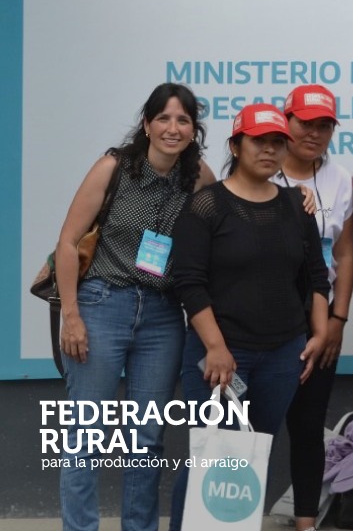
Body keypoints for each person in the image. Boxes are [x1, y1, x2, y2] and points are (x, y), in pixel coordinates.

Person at [54, 83, 214, 531]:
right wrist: (72, 316)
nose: (172, 127)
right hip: (103, 303)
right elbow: (67, 243)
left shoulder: (198, 177)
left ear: (193, 130)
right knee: (86, 435)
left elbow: (233, 213)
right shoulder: (115, 168)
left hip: (164, 316)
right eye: (163, 117)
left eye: (183, 120)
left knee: (146, 440)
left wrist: (299, 199)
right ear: (146, 124)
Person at [169, 103, 331, 530]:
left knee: (249, 460)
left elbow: (316, 275)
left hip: (283, 355)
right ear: (236, 145)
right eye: (260, 141)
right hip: (219, 356)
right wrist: (217, 348)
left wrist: (318, 334)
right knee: (210, 455)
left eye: (279, 142)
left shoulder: (298, 207)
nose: (270, 150)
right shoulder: (206, 205)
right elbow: (189, 282)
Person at [278, 84, 353, 531]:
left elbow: (343, 254)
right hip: (263, 320)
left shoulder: (339, 177)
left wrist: (336, 321)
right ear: (285, 121)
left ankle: (306, 521)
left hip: (319, 320)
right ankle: (230, 519)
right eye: (305, 122)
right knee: (245, 428)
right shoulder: (259, 169)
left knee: (308, 428)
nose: (314, 133)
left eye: (324, 125)